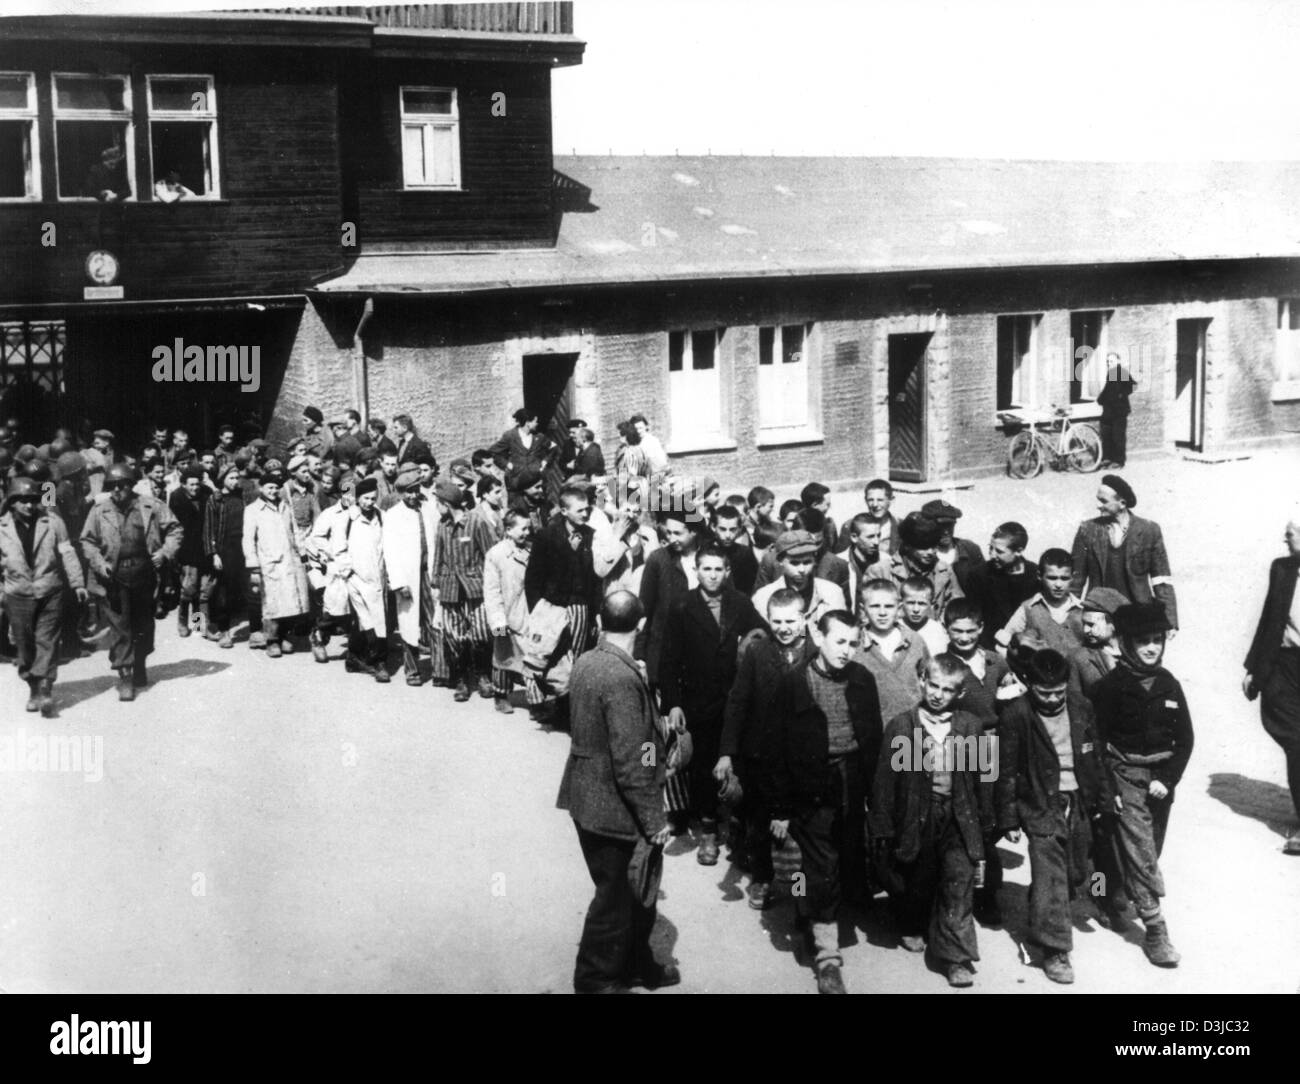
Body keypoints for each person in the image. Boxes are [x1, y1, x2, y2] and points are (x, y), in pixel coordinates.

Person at [556, 590, 677, 995]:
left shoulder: (589, 661)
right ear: (641, 626)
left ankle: (635, 966)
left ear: (597, 622)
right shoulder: (623, 678)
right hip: (614, 806)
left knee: (631, 893)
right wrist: (655, 820)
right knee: (615, 899)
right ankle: (595, 981)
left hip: (586, 796)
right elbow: (634, 760)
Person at [769, 610, 882, 994]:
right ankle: (828, 959)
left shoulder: (863, 680)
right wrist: (780, 809)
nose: (846, 651)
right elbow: (776, 749)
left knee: (833, 862)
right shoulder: (793, 684)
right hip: (808, 787)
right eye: (839, 641)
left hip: (850, 781)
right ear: (818, 637)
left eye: (853, 643)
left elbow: (874, 740)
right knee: (821, 868)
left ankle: (805, 917)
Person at [871, 653, 989, 988]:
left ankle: (955, 957)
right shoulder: (902, 725)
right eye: (932, 685)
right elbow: (885, 782)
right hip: (915, 815)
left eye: (947, 690)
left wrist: (987, 825)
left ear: (960, 693)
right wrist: (882, 827)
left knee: (958, 879)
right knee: (917, 878)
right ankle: (911, 921)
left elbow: (985, 778)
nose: (937, 694)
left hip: (958, 814)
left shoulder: (970, 726)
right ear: (922, 681)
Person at [996, 648, 1111, 984]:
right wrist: (1008, 819)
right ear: (1028, 685)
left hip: (1079, 799)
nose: (1051, 700)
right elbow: (1005, 770)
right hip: (1039, 803)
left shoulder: (1081, 706)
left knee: (1077, 872)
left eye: (1058, 692)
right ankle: (1055, 949)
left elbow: (1096, 756)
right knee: (1050, 872)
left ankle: (1041, 910)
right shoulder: (1016, 714)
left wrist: (1103, 799)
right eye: (1043, 693)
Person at [1089, 602, 1193, 967]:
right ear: (1125, 643)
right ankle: (1156, 930)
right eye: (1143, 641)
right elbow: (1095, 742)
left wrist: (1167, 778)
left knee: (1148, 848)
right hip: (1123, 776)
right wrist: (1109, 789)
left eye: (1157, 640)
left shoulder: (1169, 685)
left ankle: (1104, 893)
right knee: (1139, 849)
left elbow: (1186, 739)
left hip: (1160, 781)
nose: (1152, 648)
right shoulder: (1110, 687)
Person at [658, 543, 764, 865]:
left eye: (719, 569)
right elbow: (668, 661)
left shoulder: (740, 603)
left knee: (734, 760)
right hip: (697, 700)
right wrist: (673, 703)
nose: (713, 575)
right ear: (697, 570)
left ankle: (736, 826)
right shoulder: (681, 606)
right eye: (707, 569)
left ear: (728, 572)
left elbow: (762, 634)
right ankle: (707, 831)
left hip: (733, 699)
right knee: (702, 765)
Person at [718, 588, 817, 910]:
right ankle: (762, 878)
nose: (784, 627)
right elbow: (738, 701)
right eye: (777, 621)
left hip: (803, 757)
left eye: (791, 620)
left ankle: (801, 889)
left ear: (805, 618)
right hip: (761, 755)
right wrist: (727, 752)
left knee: (802, 827)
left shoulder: (818, 653)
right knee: (759, 824)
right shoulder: (758, 652)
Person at [80, 463, 182, 700]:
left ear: (131, 485)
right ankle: (124, 675)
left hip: (145, 576)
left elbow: (175, 529)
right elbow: (87, 541)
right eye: (112, 487)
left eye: (121, 486)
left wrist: (165, 552)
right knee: (120, 626)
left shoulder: (151, 506)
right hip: (114, 579)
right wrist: (98, 563)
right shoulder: (99, 511)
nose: (117, 491)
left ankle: (139, 664)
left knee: (144, 624)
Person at [943, 597, 1014, 924]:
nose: (964, 637)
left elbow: (1011, 701)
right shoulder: (943, 664)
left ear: (981, 629)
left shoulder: (997, 662)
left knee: (991, 821)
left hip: (995, 747)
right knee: (967, 821)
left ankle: (986, 893)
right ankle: (965, 893)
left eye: (970, 631)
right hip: (962, 747)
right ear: (947, 629)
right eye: (957, 631)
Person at [0, 476, 87, 716]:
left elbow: (67, 552)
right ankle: (33, 686)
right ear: (12, 502)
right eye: (23, 501)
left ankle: (46, 689)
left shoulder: (52, 522)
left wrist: (78, 583)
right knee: (24, 647)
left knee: (47, 640)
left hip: (50, 590)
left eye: (33, 501)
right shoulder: (2, 527)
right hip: (18, 594)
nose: (29, 506)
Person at [1243, 510, 1300, 855]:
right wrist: (1253, 668)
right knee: (1296, 740)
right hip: (1286, 665)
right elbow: (1270, 618)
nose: (1285, 539)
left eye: (1290, 533)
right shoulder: (1282, 569)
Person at [1069, 475, 1178, 632]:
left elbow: (1161, 580)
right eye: (1098, 500)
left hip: (1139, 613)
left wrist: (1170, 621)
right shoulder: (1087, 530)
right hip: (1100, 614)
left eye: (1103, 501)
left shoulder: (1149, 530)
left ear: (1122, 504)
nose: (1097, 506)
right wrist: (1072, 618)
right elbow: (1076, 581)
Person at [432, 479, 497, 702]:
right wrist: (436, 585)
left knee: (480, 634)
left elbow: (492, 554)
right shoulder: (442, 525)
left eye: (437, 502)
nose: (436, 506)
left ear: (446, 503)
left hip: (475, 589)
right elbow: (438, 557)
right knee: (453, 636)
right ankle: (460, 680)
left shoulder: (477, 522)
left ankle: (483, 676)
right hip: (450, 590)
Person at [242, 467, 312, 659]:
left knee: (290, 601)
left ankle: (283, 636)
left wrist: (304, 556)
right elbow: (248, 539)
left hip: (290, 560)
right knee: (272, 602)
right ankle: (271, 640)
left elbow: (296, 532)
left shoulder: (285, 507)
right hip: (269, 562)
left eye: (276, 488)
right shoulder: (253, 510)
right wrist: (253, 565)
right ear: (261, 488)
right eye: (269, 488)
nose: (273, 491)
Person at [637, 503, 706, 688]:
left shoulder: (712, 558)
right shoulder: (658, 559)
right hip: (665, 653)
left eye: (678, 533)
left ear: (694, 532)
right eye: (668, 533)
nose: (671, 538)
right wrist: (641, 656)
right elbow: (645, 610)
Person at [382, 466, 439, 687]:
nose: (412, 495)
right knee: (408, 624)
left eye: (415, 490)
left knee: (435, 621)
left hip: (428, 574)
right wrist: (398, 582)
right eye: (408, 492)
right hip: (408, 578)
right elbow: (390, 552)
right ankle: (412, 670)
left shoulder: (429, 509)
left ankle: (440, 668)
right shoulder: (394, 516)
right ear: (400, 493)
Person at [854, 578, 932, 731]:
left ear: (899, 608)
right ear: (863, 609)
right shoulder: (856, 645)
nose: (882, 613)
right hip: (872, 730)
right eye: (875, 606)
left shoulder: (914, 640)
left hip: (912, 728)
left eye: (889, 606)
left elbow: (928, 679)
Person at [337, 476, 389, 682]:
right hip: (356, 579)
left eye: (373, 498)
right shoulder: (348, 519)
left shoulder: (381, 517)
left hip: (377, 578)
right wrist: (346, 571)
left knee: (379, 620)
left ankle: (361, 658)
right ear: (358, 499)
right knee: (366, 620)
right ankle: (378, 663)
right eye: (365, 499)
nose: (369, 503)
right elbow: (339, 548)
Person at [484, 508, 535, 714]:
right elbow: (492, 591)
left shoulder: (532, 551)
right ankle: (501, 694)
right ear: (508, 530)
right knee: (503, 654)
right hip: (505, 615)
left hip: (529, 614)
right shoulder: (496, 554)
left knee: (532, 656)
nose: (526, 533)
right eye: (522, 529)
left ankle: (535, 700)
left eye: (528, 529)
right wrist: (497, 622)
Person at [866, 512, 963, 619]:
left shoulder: (944, 571)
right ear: (908, 546)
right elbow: (868, 614)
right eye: (924, 547)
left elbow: (956, 610)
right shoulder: (880, 571)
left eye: (934, 545)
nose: (931, 552)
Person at [963, 522, 1039, 650]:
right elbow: (975, 619)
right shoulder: (979, 575)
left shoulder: (1035, 575)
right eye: (990, 548)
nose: (992, 555)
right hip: (991, 647)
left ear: (1019, 551)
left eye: (999, 551)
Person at [997, 548, 1086, 658]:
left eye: (1064, 578)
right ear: (1039, 576)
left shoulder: (1082, 609)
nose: (1058, 584)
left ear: (1072, 577)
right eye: (1052, 578)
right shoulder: (1028, 608)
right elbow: (1002, 642)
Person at [751, 530, 845, 628]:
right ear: (780, 560)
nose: (802, 569)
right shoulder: (763, 598)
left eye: (807, 562)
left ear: (815, 560)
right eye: (794, 563)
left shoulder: (832, 593)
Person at [202, 463, 247, 648]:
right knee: (195, 592)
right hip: (219, 550)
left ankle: (207, 627)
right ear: (223, 480)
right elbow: (209, 528)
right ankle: (201, 627)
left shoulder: (240, 497)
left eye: (237, 478)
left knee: (233, 590)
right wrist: (214, 554)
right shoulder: (215, 499)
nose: (235, 481)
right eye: (231, 478)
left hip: (239, 549)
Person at [168, 466, 209, 638]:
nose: (195, 488)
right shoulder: (176, 498)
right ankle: (182, 621)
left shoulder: (206, 495)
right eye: (191, 485)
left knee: (202, 589)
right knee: (188, 588)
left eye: (197, 484)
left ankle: (199, 624)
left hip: (203, 548)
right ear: (183, 484)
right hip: (186, 549)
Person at [1068, 586, 1129, 696]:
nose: (1085, 630)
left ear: (1113, 624)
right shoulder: (1079, 658)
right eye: (1084, 623)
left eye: (1091, 625)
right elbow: (1077, 703)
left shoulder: (1135, 653)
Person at [921, 499, 983, 594]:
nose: (946, 531)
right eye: (941, 527)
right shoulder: (923, 553)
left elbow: (983, 584)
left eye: (949, 525)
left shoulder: (970, 549)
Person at [491, 409, 551, 489]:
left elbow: (553, 448)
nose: (537, 424)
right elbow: (493, 452)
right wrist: (507, 465)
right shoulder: (510, 436)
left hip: (535, 481)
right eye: (535, 421)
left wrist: (545, 461)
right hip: (516, 481)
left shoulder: (539, 437)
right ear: (527, 423)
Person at [837, 479, 899, 555]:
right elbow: (840, 559)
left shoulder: (901, 526)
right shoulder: (850, 526)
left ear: (891, 500)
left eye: (880, 500)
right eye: (870, 500)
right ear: (865, 500)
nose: (875, 504)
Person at [1097, 351, 1137, 469]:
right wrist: (1101, 399)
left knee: (1118, 436)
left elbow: (1133, 385)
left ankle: (1119, 461)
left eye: (1112, 361)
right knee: (1107, 435)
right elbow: (1108, 389)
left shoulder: (1122, 372)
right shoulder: (1111, 373)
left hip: (1119, 410)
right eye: (1108, 361)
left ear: (1118, 361)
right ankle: (1108, 458)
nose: (1109, 363)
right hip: (1109, 410)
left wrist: (1121, 394)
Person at [711, 503, 757, 595]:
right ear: (713, 527)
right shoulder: (704, 550)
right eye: (722, 529)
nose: (728, 535)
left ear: (740, 529)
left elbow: (751, 585)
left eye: (733, 529)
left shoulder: (745, 554)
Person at [899, 576, 948, 657]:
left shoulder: (937, 630)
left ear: (931, 604)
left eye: (922, 604)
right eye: (911, 603)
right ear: (901, 602)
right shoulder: (896, 628)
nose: (916, 609)